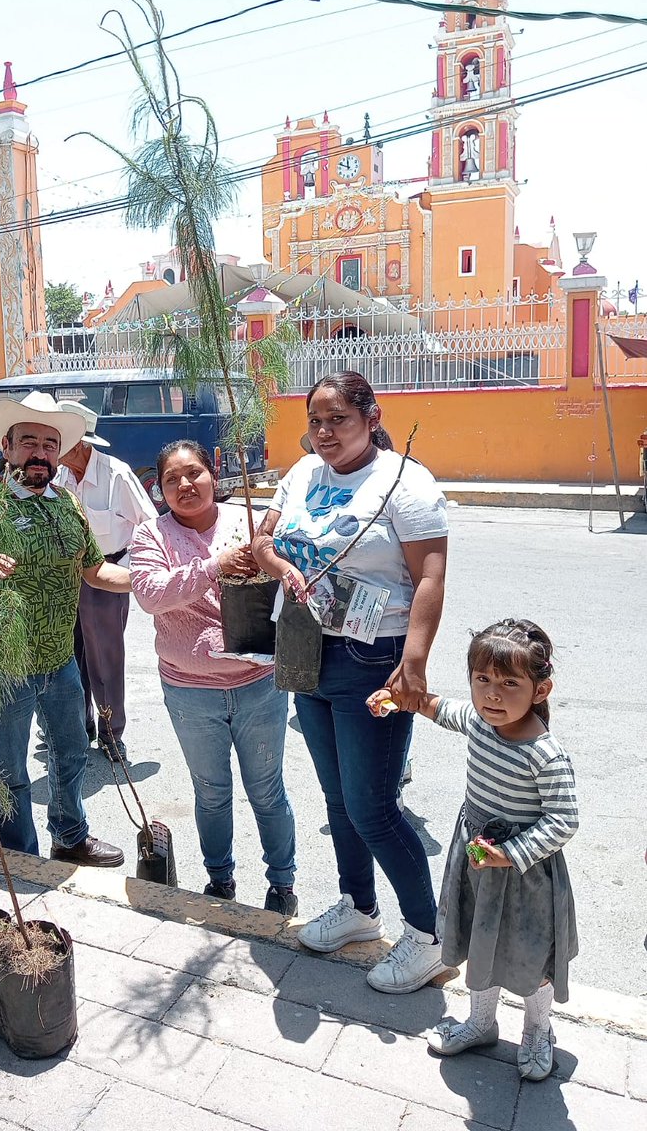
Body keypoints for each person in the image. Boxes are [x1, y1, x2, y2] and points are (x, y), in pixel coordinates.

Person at [251, 371, 448, 992]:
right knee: (336, 799)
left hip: (373, 655)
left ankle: (430, 936)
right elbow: (262, 540)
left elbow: (430, 578)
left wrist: (412, 662)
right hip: (307, 647)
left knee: (373, 805)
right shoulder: (303, 473)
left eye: (338, 418)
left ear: (372, 415)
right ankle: (358, 908)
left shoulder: (404, 483)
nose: (325, 431)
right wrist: (281, 566)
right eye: (316, 421)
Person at [368, 619, 579, 1083]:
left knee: (529, 956)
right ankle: (481, 1023)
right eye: (482, 680)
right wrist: (399, 699)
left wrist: (513, 853)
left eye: (509, 683)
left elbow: (564, 819)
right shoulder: (480, 722)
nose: (493, 695)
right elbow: (438, 708)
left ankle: (537, 1031)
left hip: (526, 876)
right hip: (476, 861)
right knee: (478, 945)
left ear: (542, 689)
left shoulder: (545, 754)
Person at [129, 439, 298, 916]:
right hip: (189, 690)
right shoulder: (151, 536)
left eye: (194, 473)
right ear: (159, 489)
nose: (184, 485)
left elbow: (287, 576)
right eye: (171, 479)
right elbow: (150, 594)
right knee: (211, 792)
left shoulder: (248, 522)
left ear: (212, 473)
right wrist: (213, 567)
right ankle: (220, 879)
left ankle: (282, 884)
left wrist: (264, 559)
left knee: (268, 790)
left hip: (257, 685)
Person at [0, 390, 127, 865]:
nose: (40, 453)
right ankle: (22, 860)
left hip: (60, 663)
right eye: (29, 442)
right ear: (7, 448)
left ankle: (70, 836)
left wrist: (153, 582)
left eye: (50, 444)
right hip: (1, 667)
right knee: (10, 772)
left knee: (71, 754)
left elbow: (95, 570)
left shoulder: (68, 507)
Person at [54, 400, 156, 761]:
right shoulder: (60, 478)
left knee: (105, 661)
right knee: (71, 655)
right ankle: (78, 726)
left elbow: (148, 525)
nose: (51, 447)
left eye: (59, 439)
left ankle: (112, 733)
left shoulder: (117, 475)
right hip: (67, 577)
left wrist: (133, 572)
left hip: (106, 577)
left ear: (80, 443)